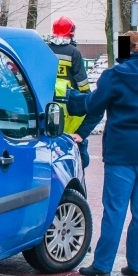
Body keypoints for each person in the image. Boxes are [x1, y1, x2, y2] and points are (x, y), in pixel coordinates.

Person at [68, 31, 138, 276]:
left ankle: (103, 264)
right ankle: (137, 265)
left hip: (122, 151)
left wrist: (75, 100)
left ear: (124, 50)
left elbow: (94, 105)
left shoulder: (114, 75)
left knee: (115, 208)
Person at [48, 16, 101, 169]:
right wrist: (86, 97)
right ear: (71, 32)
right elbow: (81, 80)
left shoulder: (46, 48)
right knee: (77, 143)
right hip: (69, 100)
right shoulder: (73, 52)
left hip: (48, 96)